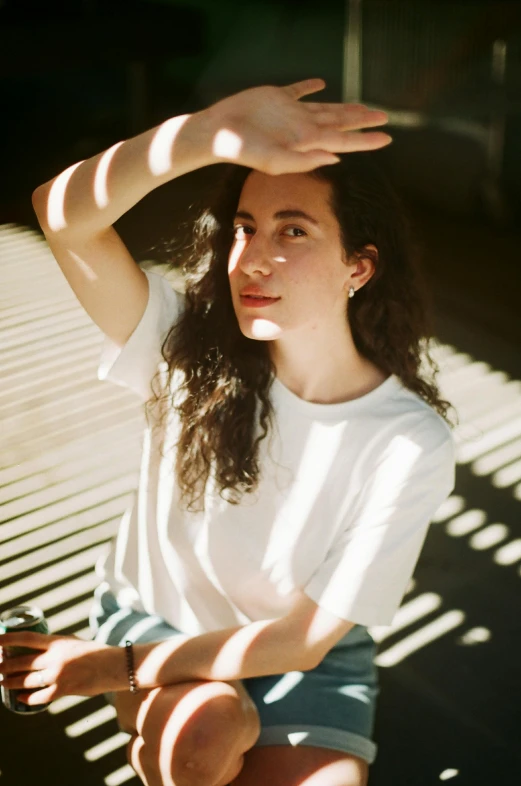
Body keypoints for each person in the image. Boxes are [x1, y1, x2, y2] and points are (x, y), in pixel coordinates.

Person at [0, 78, 457, 786]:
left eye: (292, 231)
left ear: (357, 267)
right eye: (244, 228)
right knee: (201, 734)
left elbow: (304, 640)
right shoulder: (183, 343)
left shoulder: (407, 440)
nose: (249, 258)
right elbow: (61, 216)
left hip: (300, 654)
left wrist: (102, 669)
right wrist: (200, 135)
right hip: (160, 621)